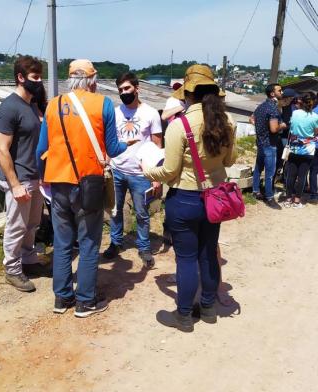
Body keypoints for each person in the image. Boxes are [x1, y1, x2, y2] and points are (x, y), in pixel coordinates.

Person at [143, 64, 237, 332]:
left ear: (189, 94)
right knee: (208, 253)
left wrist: (146, 171)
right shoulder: (227, 122)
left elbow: (169, 170)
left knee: (185, 258)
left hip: (184, 199)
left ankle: (184, 315)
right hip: (215, 198)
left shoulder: (180, 124)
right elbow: (230, 160)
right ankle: (208, 308)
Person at [36, 59, 129, 318]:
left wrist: (43, 178)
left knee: (63, 242)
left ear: (70, 79)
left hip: (58, 184)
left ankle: (61, 298)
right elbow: (113, 149)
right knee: (88, 243)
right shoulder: (103, 104)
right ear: (92, 80)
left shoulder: (53, 105)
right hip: (89, 184)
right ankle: (85, 301)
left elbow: (41, 149)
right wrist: (130, 144)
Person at [0, 56, 48, 292]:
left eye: (40, 77)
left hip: (34, 176)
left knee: (32, 223)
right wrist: (14, 184)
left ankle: (28, 260)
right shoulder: (9, 107)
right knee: (17, 225)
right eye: (35, 77)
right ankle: (12, 270)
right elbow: (1, 148)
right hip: (19, 179)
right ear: (20, 77)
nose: (39, 82)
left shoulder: (31, 105)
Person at [103, 72, 163, 268]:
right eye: (120, 90)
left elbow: (157, 145)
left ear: (137, 89)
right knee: (115, 210)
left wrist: (156, 175)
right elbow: (109, 141)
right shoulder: (115, 112)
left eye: (127, 88)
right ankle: (116, 242)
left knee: (142, 212)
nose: (124, 92)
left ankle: (144, 246)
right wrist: (106, 162)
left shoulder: (151, 113)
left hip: (140, 173)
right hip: (117, 170)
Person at [252, 83, 287, 209]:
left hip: (260, 142)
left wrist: (261, 129)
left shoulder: (261, 106)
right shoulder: (273, 109)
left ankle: (255, 191)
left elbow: (252, 119)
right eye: (280, 90)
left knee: (258, 168)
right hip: (269, 144)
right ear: (273, 93)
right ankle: (269, 197)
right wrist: (282, 126)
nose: (282, 92)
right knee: (270, 173)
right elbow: (273, 129)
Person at [283, 92, 318, 208]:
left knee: (291, 175)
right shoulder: (315, 117)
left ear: (301, 101)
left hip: (294, 147)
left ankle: (288, 198)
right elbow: (316, 133)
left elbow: (292, 129)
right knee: (302, 176)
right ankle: (297, 200)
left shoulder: (295, 113)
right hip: (308, 149)